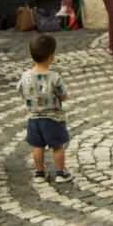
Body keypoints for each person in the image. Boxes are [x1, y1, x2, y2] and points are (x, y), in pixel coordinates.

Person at [19, 35, 72, 183]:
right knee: (57, 146)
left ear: (31, 55)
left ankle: (40, 173)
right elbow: (63, 96)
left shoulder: (25, 77)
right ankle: (61, 173)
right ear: (52, 55)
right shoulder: (55, 77)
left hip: (34, 119)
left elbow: (21, 94)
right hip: (53, 119)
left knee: (37, 146)